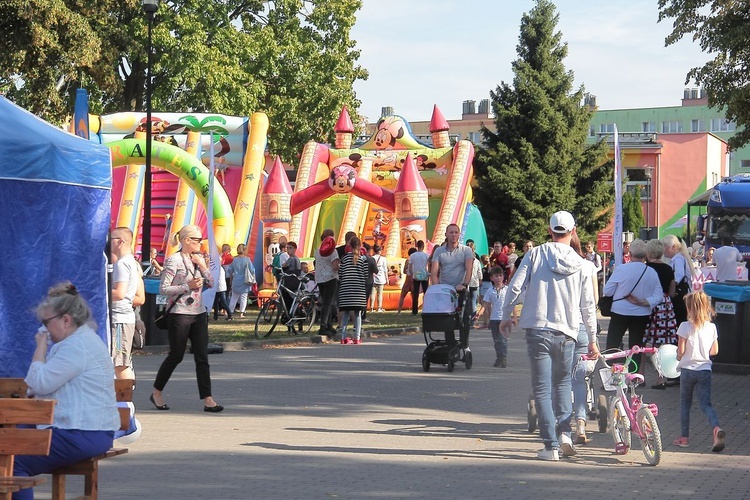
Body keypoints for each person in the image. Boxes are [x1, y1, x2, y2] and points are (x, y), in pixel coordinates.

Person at [500, 211, 599, 461]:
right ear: (573, 231)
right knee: (563, 384)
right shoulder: (582, 264)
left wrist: (505, 314)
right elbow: (588, 305)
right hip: (568, 332)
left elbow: (515, 286)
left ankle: (550, 446)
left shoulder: (535, 254)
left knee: (542, 389)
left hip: (538, 328)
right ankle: (565, 433)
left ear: (549, 230)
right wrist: (593, 338)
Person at [13, 282, 121, 499]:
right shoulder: (78, 341)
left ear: (65, 319)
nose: (42, 330)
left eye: (45, 323)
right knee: (10, 435)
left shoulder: (76, 347)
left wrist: (40, 347)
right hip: (82, 430)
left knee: (11, 462)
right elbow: (45, 386)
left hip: (81, 433)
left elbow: (39, 383)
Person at [152, 225, 223, 413]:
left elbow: (211, 283)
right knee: (176, 355)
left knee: (202, 356)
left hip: (198, 312)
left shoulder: (199, 259)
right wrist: (186, 285)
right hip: (180, 313)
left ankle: (208, 398)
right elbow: (163, 289)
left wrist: (202, 266)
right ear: (186, 241)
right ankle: (157, 392)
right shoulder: (173, 260)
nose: (201, 243)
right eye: (197, 240)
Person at [672, 291, 725, 453]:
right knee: (706, 404)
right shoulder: (711, 327)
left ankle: (684, 438)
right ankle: (716, 428)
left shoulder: (684, 327)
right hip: (705, 370)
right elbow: (714, 350)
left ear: (689, 308)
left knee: (685, 405)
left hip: (688, 370)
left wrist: (677, 355)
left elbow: (680, 352)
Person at [603, 239, 664, 373]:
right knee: (636, 346)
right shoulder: (651, 272)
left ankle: (611, 374)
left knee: (613, 344)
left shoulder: (621, 269)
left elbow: (607, 291)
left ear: (629, 254)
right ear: (645, 255)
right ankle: (634, 376)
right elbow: (659, 295)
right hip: (641, 313)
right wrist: (643, 302)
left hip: (620, 311)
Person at [569, 232, 599, 444]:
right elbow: (593, 300)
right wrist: (593, 337)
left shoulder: (551, 265)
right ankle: (580, 421)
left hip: (559, 327)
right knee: (580, 378)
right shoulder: (588, 266)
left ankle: (558, 425)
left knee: (559, 377)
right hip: (580, 326)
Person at [110, 227, 144, 380]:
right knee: (120, 362)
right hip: (123, 319)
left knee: (120, 364)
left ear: (120, 242)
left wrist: (99, 292)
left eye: (110, 240)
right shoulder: (131, 262)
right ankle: (124, 399)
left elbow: (119, 293)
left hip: (120, 320)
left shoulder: (122, 264)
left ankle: (125, 400)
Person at [430, 223, 474, 339]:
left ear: (459, 234)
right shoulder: (439, 251)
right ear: (446, 234)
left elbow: (469, 269)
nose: (453, 235)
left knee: (464, 320)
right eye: (451, 232)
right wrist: (437, 288)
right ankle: (450, 344)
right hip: (445, 291)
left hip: (460, 289)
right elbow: (434, 272)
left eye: (456, 232)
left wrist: (464, 284)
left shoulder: (466, 250)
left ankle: (464, 344)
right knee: (447, 320)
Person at [338, 236, 368, 344]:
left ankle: (343, 337)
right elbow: (365, 275)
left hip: (345, 291)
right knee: (357, 314)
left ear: (350, 246)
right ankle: (357, 337)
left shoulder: (344, 258)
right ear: (360, 246)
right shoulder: (362, 259)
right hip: (358, 291)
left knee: (345, 314)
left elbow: (340, 274)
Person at [479, 266, 511, 367]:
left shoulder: (507, 290)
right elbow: (485, 303)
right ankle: (499, 357)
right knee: (496, 340)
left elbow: (512, 303)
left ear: (503, 277)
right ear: (492, 278)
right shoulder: (490, 290)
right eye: (496, 276)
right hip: (494, 319)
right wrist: (480, 312)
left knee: (503, 340)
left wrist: (514, 317)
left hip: (504, 318)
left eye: (500, 276)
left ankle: (504, 357)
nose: (498, 278)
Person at [663, 235, 695, 327]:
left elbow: (679, 275)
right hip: (683, 294)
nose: (664, 249)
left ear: (673, 247)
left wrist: (672, 285)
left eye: (665, 246)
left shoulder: (678, 259)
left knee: (680, 319)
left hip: (680, 296)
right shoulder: (679, 258)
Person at [314, 229, 340, 336]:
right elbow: (335, 267)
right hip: (330, 278)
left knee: (325, 301)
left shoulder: (318, 250)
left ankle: (329, 325)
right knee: (328, 303)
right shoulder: (333, 251)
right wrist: (340, 265)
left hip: (320, 279)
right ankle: (323, 326)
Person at [228, 243, 255, 319]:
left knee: (233, 297)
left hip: (236, 280)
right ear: (244, 250)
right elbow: (252, 270)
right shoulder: (247, 259)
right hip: (245, 281)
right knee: (243, 297)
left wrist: (231, 280)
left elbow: (230, 271)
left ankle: (230, 312)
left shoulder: (234, 259)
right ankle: (241, 313)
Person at [409, 240, 430, 315]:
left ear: (417, 246)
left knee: (415, 293)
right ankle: (428, 308)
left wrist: (412, 273)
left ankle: (414, 311)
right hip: (424, 275)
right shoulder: (426, 255)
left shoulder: (412, 256)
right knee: (426, 292)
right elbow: (429, 265)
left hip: (416, 275)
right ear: (423, 246)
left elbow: (410, 266)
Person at [397, 248, 416, 314]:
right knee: (414, 296)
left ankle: (399, 311)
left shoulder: (408, 260)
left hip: (408, 279)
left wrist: (408, 271)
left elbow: (404, 271)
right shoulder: (416, 261)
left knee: (402, 295)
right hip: (414, 279)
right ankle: (414, 310)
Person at [371, 244, 388, 312]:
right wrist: (387, 279)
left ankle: (371, 307)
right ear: (380, 251)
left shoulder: (372, 258)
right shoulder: (383, 259)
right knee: (380, 293)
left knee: (372, 293)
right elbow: (385, 269)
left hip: (373, 278)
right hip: (381, 277)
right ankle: (379, 307)